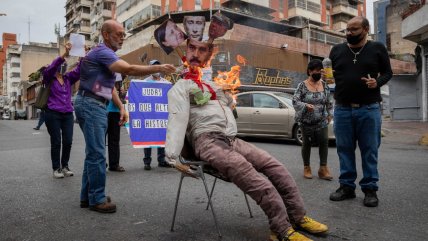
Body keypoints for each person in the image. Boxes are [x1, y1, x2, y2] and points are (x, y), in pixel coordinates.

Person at [165, 37, 328, 241]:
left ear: (209, 55)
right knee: (253, 178)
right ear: (185, 52)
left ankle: (298, 216)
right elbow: (177, 118)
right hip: (208, 141)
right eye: (191, 48)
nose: (196, 54)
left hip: (230, 140)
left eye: (202, 49)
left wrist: (227, 98)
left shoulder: (213, 84)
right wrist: (172, 157)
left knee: (276, 168)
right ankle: (281, 229)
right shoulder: (180, 87)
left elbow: (228, 109)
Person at [74, 20, 175, 214]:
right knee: (96, 154)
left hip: (94, 103)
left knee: (93, 154)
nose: (122, 37)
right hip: (91, 104)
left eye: (123, 34)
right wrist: (158, 68)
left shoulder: (105, 55)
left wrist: (121, 107)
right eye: (118, 34)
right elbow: (128, 69)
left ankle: (88, 197)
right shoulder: (103, 52)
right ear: (105, 34)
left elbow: (108, 86)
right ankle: (97, 199)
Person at [328, 16, 392, 207]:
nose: (349, 33)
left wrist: (377, 82)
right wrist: (326, 77)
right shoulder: (337, 50)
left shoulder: (377, 48)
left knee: (369, 151)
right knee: (344, 150)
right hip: (342, 109)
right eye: (347, 30)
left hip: (369, 108)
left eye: (354, 29)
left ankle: (370, 189)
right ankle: (347, 187)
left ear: (365, 29)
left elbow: (388, 73)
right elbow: (334, 77)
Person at [43, 43, 81, 179]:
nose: (61, 66)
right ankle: (56, 168)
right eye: (60, 64)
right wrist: (65, 54)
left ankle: (65, 166)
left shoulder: (67, 78)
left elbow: (79, 71)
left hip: (67, 114)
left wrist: (83, 56)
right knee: (56, 141)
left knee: (68, 141)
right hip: (52, 113)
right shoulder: (48, 77)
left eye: (62, 64)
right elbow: (52, 66)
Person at [293, 59, 333, 180]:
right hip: (306, 122)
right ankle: (307, 167)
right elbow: (295, 100)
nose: (318, 73)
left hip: (321, 120)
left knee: (324, 142)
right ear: (309, 71)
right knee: (307, 144)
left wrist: (329, 113)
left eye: (319, 71)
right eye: (315, 71)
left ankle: (323, 169)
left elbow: (328, 101)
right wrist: (305, 106)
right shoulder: (302, 85)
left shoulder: (324, 85)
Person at [141, 60, 171, 171]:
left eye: (158, 67)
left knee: (161, 137)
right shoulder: (144, 82)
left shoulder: (165, 83)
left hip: (161, 115)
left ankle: (161, 160)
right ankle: (147, 161)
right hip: (149, 114)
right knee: (148, 137)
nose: (157, 70)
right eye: (154, 67)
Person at [106, 73, 126, 172]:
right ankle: (100, 161)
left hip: (116, 112)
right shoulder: (105, 79)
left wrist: (122, 93)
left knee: (114, 139)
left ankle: (114, 164)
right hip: (105, 111)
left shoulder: (120, 84)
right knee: (100, 139)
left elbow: (122, 100)